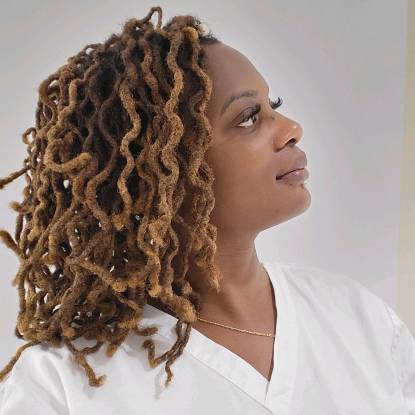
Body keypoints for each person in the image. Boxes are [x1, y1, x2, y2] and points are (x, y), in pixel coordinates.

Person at [0, 6, 414, 415]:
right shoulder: (62, 386)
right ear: (160, 169)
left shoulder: (361, 321)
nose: (292, 129)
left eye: (274, 105)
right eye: (249, 118)